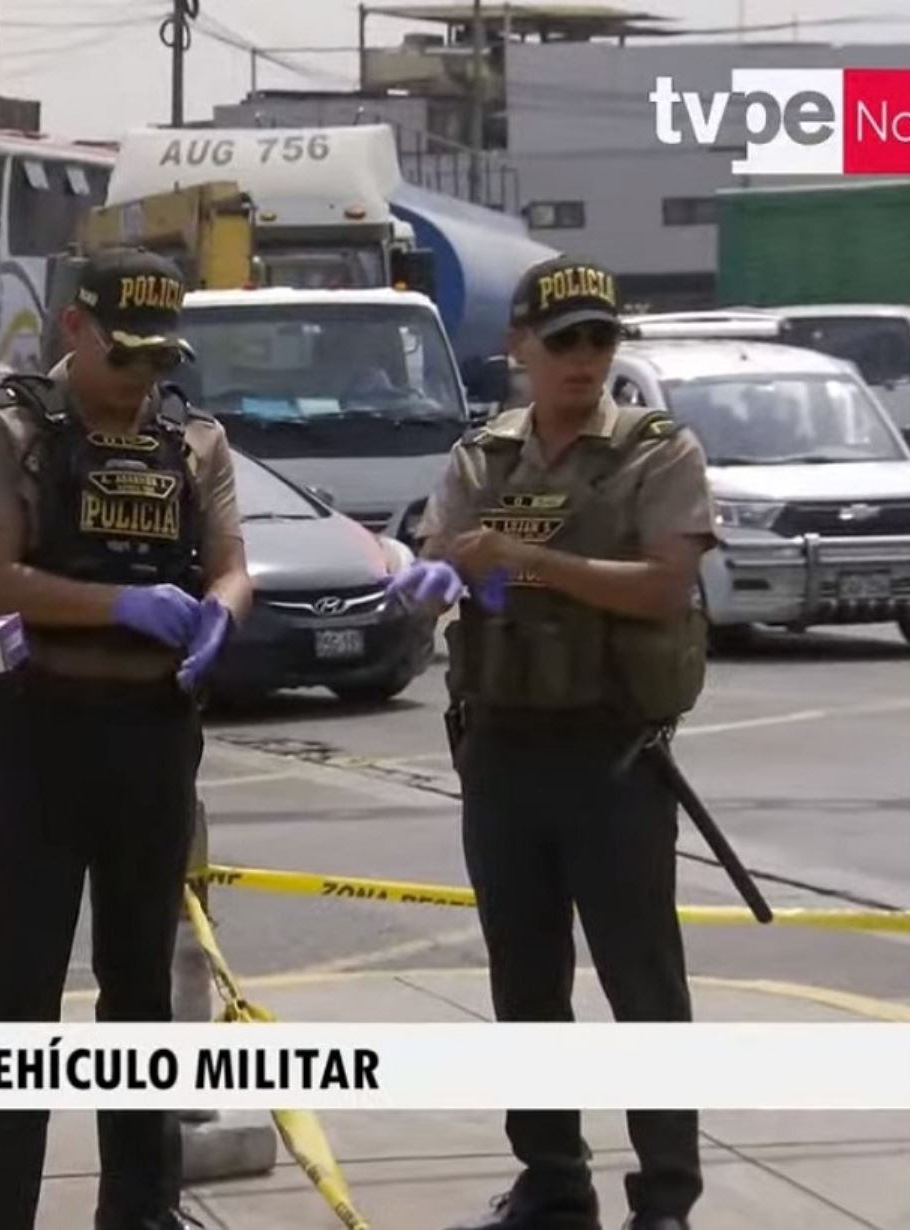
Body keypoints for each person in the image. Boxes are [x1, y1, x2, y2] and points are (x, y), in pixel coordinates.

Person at [399, 256, 713, 1230]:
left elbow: (665, 586)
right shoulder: (481, 456)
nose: (585, 359)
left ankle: (664, 1196)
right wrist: (432, 579)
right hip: (501, 747)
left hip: (612, 753)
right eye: (565, 340)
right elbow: (441, 557)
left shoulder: (656, 451)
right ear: (519, 347)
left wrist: (526, 560)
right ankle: (552, 1176)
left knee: (641, 982)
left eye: (601, 340)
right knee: (524, 979)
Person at [0, 247, 253, 1230]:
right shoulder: (9, 433)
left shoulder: (194, 437)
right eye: (125, 355)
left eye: (160, 359)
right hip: (43, 732)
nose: (142, 379)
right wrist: (121, 603)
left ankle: (141, 1211)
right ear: (75, 330)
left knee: (140, 998)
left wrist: (218, 613)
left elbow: (231, 564)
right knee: (19, 1003)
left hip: (154, 738)